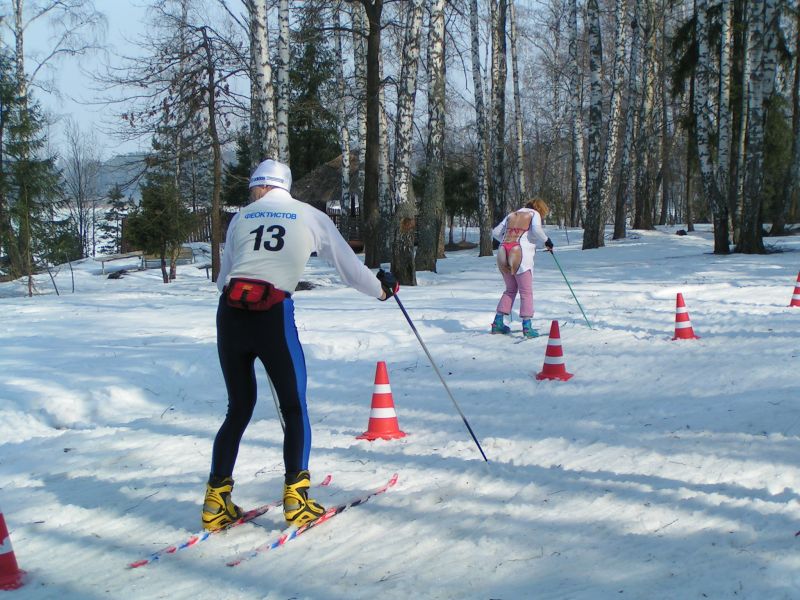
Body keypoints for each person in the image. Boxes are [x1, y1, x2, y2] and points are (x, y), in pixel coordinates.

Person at [202, 158, 399, 531]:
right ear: (285, 186)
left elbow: (221, 279)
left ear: (258, 186)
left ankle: (216, 501)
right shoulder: (308, 215)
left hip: (229, 314)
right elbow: (348, 266)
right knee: (293, 407)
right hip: (272, 314)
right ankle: (297, 498)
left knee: (238, 409)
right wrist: (381, 291)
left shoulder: (241, 218)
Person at [491, 198, 553, 338]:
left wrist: (507, 240)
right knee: (526, 292)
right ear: (540, 209)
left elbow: (495, 232)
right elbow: (536, 230)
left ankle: (497, 323)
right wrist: (547, 241)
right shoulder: (533, 214)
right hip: (520, 254)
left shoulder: (511, 215)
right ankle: (527, 327)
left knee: (510, 289)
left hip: (503, 252)